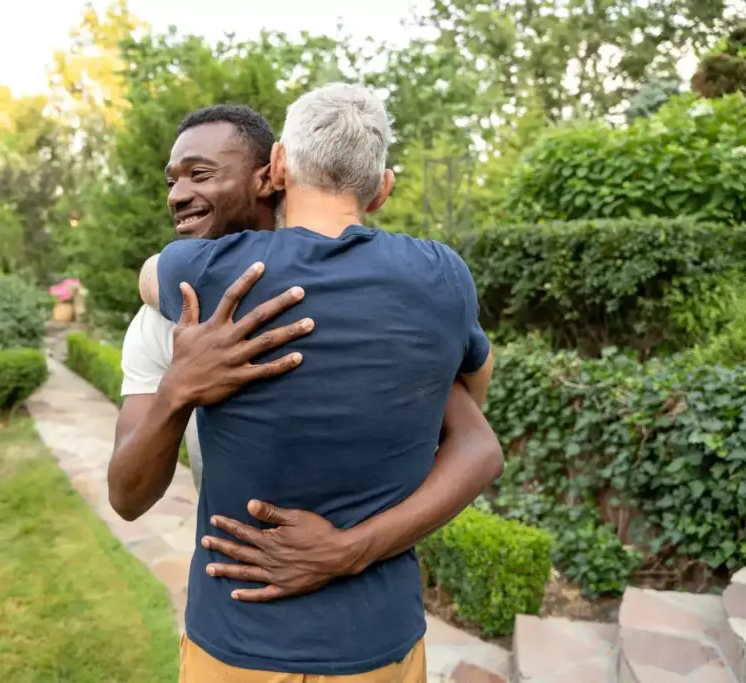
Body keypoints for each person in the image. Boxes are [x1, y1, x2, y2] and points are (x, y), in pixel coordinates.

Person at [110, 98, 500, 680]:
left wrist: (350, 549)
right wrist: (178, 389)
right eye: (174, 180)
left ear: (277, 167)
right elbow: (477, 424)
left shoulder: (201, 274)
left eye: (199, 174)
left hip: (240, 643)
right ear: (383, 188)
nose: (178, 195)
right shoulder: (436, 278)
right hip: (377, 645)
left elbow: (154, 273)